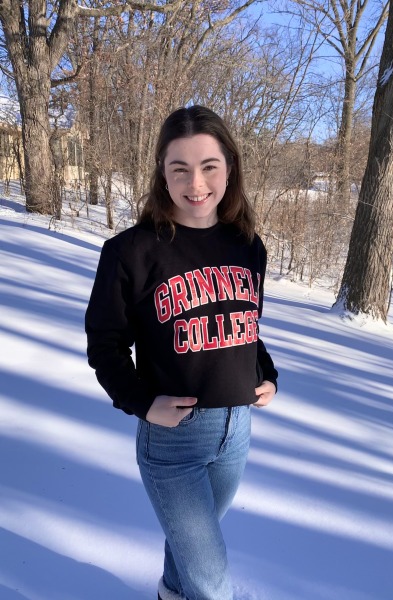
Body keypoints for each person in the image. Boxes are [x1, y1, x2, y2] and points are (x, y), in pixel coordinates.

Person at [85, 105, 278, 600]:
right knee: (212, 582)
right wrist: (143, 403)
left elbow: (243, 325)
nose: (196, 182)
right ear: (162, 174)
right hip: (173, 441)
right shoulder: (131, 251)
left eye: (209, 166)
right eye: (180, 168)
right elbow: (105, 346)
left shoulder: (247, 244)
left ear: (229, 168)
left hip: (237, 430)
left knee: (190, 555)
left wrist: (267, 374)